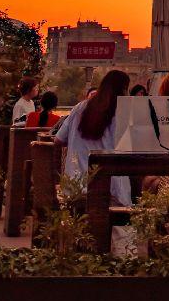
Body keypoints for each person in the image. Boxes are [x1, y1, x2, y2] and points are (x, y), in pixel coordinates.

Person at [50, 69, 131, 207]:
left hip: (74, 188)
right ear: (124, 89)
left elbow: (58, 140)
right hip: (110, 192)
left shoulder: (79, 108)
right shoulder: (122, 112)